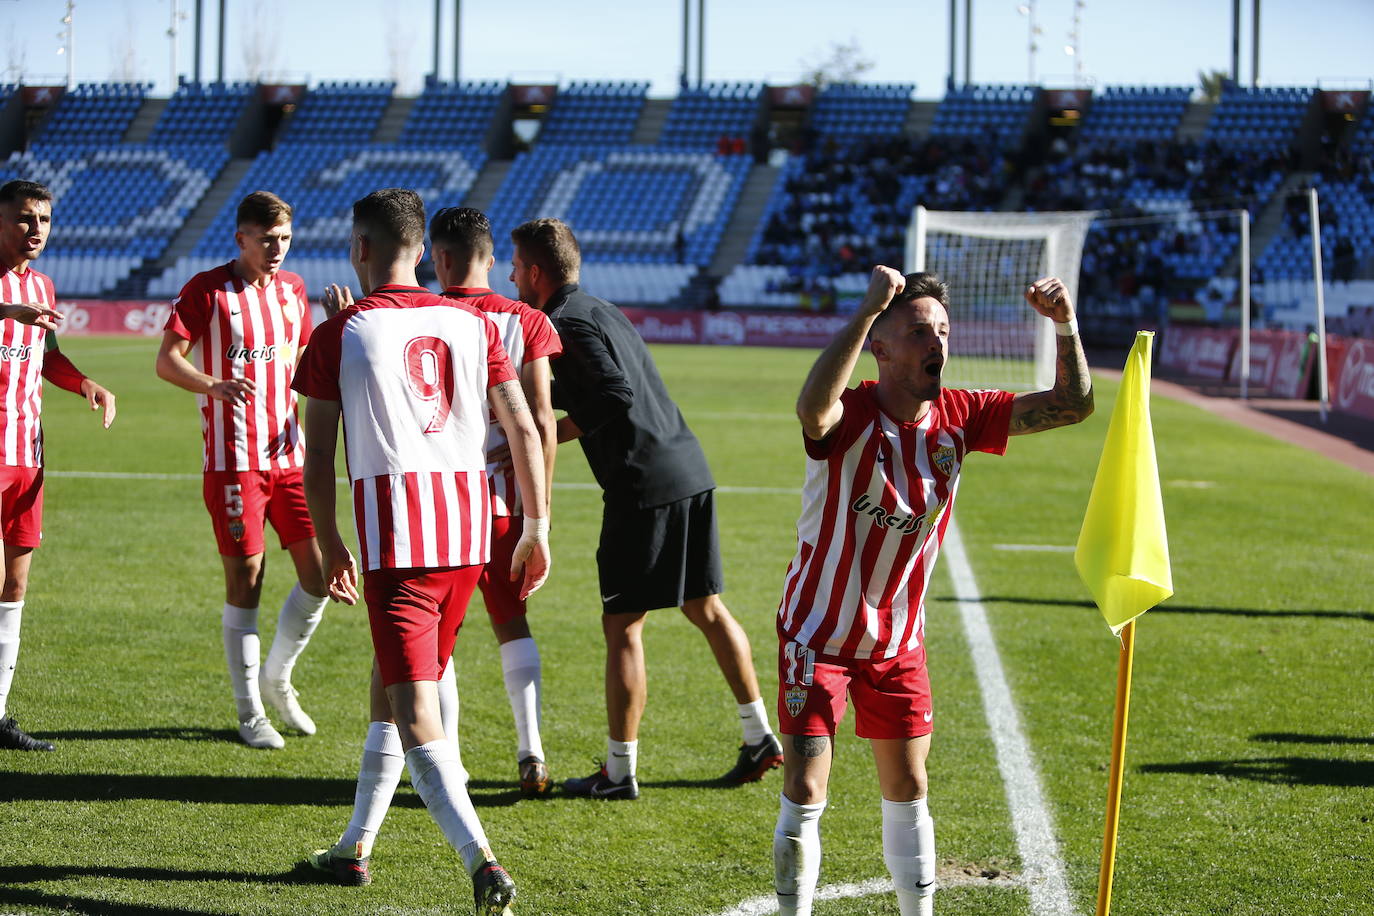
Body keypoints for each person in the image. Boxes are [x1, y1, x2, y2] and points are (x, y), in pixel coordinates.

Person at [772, 267, 1094, 916]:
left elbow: (1073, 403)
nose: (937, 342)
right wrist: (866, 309)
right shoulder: (853, 413)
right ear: (882, 347)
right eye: (919, 331)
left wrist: (1065, 324)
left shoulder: (963, 417)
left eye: (943, 331)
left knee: (910, 785)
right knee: (805, 790)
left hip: (897, 643)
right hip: (817, 636)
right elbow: (811, 411)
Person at [294, 188, 549, 915]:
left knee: (415, 712)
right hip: (468, 540)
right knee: (391, 682)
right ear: (420, 250)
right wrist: (536, 526)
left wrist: (329, 540)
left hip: (398, 543)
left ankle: (482, 862)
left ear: (362, 247)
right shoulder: (474, 323)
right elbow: (525, 428)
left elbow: (318, 455)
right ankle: (354, 847)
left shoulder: (340, 331)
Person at [509, 217, 780, 799]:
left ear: (533, 272)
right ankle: (759, 735)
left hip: (642, 486)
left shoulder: (562, 321)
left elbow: (614, 392)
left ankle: (618, 771)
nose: (510, 278)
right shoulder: (601, 309)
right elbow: (605, 386)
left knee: (623, 625)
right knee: (705, 608)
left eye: (513, 268)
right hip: (688, 470)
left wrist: (553, 433)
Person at [155, 191, 329, 750]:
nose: (277, 248)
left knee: (320, 574)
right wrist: (213, 385)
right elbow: (167, 360)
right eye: (267, 239)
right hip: (234, 462)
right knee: (247, 580)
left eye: (285, 239)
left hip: (291, 458)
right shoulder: (208, 291)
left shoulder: (294, 290)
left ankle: (278, 677)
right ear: (241, 238)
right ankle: (250, 710)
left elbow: (303, 363)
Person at [432, 206, 561, 797]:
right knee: (512, 620)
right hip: (506, 501)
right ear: (490, 258)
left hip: (440, 502)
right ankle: (531, 751)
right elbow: (540, 421)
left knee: (439, 634)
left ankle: (450, 762)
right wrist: (540, 514)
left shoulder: (420, 315)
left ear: (439, 258)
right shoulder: (526, 320)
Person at [0, 179, 117, 752]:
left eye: (43, 219)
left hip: (27, 454)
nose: (35, 229)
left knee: (14, 583)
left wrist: (85, 383)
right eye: (25, 218)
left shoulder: (42, 286)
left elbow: (48, 357)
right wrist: (6, 310)